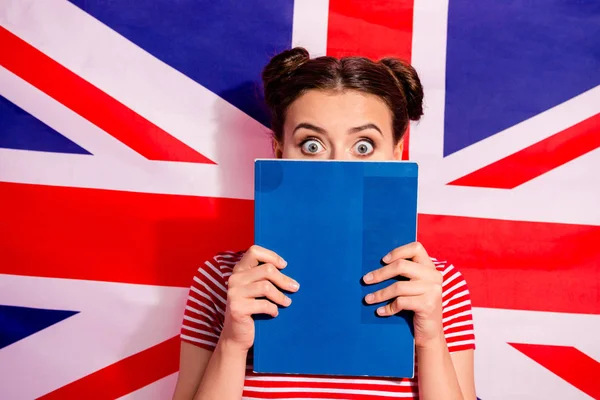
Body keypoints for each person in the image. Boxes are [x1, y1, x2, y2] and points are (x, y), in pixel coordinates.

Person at [172, 47, 476, 400]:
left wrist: (431, 337)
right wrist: (233, 342)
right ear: (280, 150)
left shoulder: (438, 286)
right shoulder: (223, 280)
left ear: (396, 154)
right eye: (312, 144)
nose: (337, 166)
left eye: (363, 146)